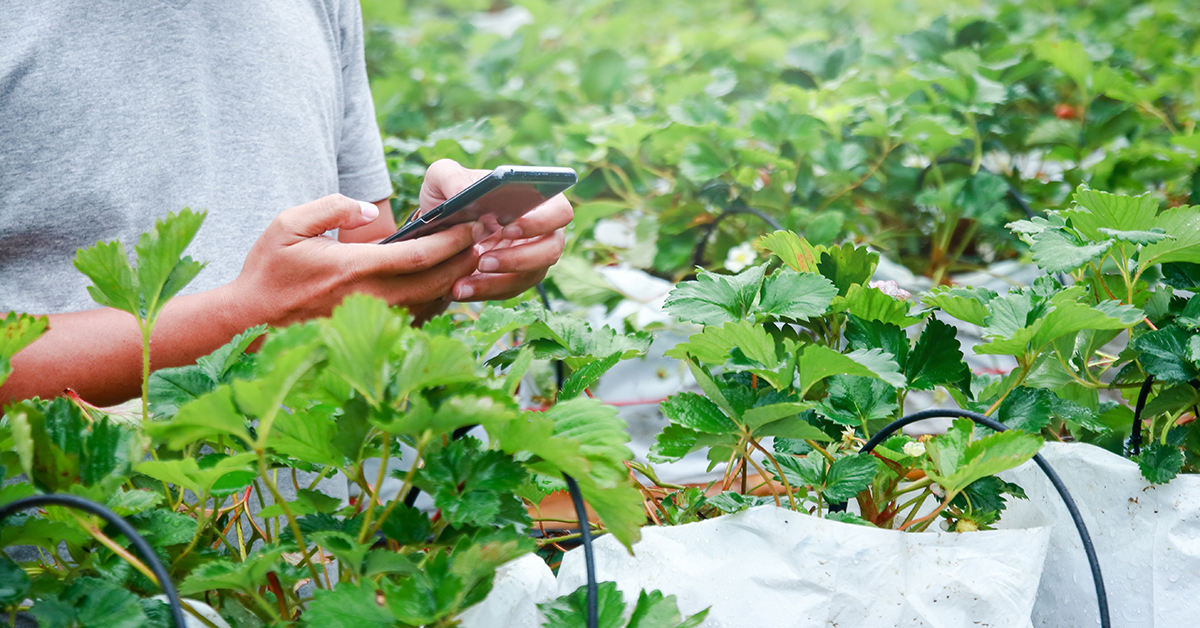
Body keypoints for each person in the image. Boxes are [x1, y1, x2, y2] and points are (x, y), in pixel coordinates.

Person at [0, 1, 570, 407]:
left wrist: (443, 249)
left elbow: (358, 284)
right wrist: (243, 319)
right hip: (66, 558)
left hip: (303, 543)